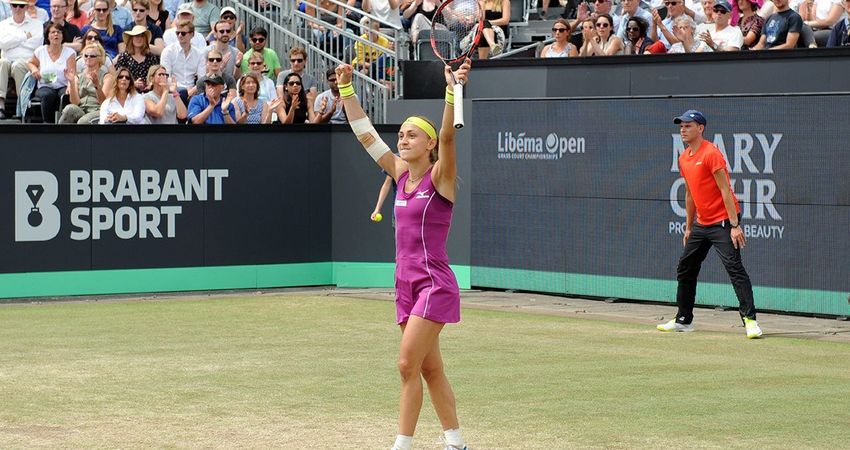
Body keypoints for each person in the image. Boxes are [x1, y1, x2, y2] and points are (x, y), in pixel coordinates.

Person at [337, 58, 471, 450]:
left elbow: (449, 138)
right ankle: (457, 442)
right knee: (430, 369)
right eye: (402, 135)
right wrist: (346, 89)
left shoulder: (440, 177)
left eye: (413, 135)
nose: (403, 139)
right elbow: (365, 135)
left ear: (429, 144)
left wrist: (451, 91)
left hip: (434, 284)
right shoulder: (398, 173)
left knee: (405, 364)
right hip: (404, 284)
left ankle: (401, 445)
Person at [658, 110, 763, 340]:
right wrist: (688, 227)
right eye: (681, 126)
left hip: (724, 221)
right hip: (702, 224)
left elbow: (726, 190)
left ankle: (750, 320)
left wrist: (734, 225)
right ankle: (683, 319)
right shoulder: (684, 158)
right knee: (685, 267)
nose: (683, 130)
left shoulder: (711, 153)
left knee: (734, 268)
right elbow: (689, 193)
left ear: (701, 128)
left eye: (688, 126)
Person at [0, 0, 44, 120]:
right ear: (10, 6)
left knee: (18, 65)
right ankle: (0, 105)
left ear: (26, 7)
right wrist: (24, 37)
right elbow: (2, 44)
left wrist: (12, 42)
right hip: (7, 60)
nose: (17, 8)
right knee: (2, 63)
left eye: (21, 5)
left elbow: (36, 45)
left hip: (25, 61)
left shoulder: (37, 24)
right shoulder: (3, 24)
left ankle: (22, 106)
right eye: (14, 5)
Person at [28, 22, 76, 122]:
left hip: (63, 85)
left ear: (63, 36)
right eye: (53, 32)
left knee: (65, 96)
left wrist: (70, 87)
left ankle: (63, 124)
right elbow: (30, 63)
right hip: (45, 85)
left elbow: (73, 73)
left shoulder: (70, 53)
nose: (56, 34)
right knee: (48, 95)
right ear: (48, 36)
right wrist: (34, 69)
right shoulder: (40, 51)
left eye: (59, 32)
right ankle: (48, 124)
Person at [59, 42, 111, 123]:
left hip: (98, 109)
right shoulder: (78, 76)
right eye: (86, 55)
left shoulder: (107, 77)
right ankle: (59, 135)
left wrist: (97, 85)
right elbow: (75, 103)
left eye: (92, 56)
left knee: (83, 121)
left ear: (100, 58)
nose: (88, 58)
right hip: (81, 108)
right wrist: (72, 82)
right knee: (69, 109)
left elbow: (103, 103)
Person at [160, 18, 205, 104]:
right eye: (177, 33)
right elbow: (165, 77)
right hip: (173, 89)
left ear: (192, 34)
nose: (180, 35)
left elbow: (202, 79)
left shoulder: (198, 54)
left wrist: (192, 90)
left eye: (183, 33)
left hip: (193, 91)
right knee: (182, 93)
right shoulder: (168, 51)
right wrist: (182, 89)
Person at [114, 25, 159, 92]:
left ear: (145, 39)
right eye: (136, 36)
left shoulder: (152, 57)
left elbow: (156, 75)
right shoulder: (124, 57)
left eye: (142, 36)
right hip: (128, 91)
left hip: (149, 92)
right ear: (131, 38)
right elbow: (119, 77)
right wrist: (133, 83)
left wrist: (151, 84)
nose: (139, 38)